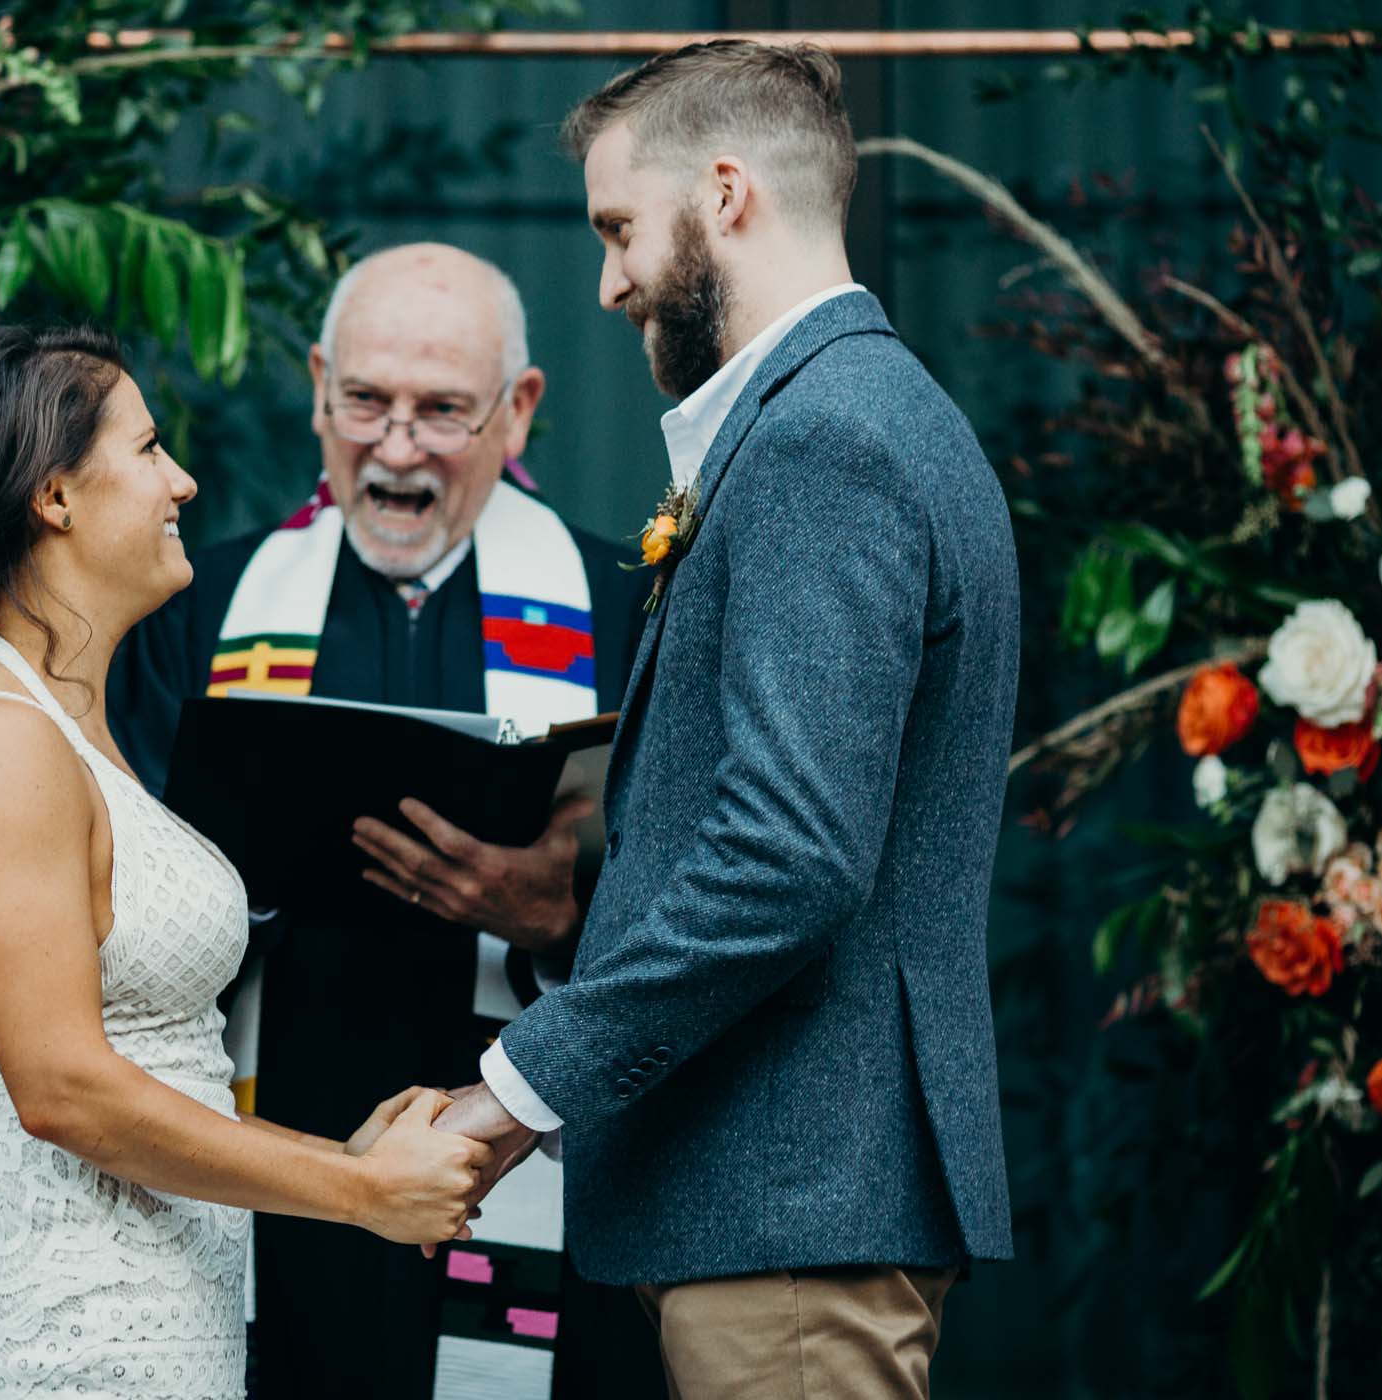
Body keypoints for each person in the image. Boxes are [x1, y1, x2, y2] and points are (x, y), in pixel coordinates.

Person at [434, 41, 1022, 1399]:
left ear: (727, 190)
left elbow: (791, 855)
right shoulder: (864, 411)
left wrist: (518, 1088)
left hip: (794, 1194)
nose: (609, 280)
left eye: (619, 227)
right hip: (789, 1194)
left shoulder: (826, 439)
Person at [0, 324, 491, 1399]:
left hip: (155, 1332)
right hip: (70, 1348)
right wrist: (358, 1187)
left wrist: (348, 1150)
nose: (183, 480)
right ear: (53, 495)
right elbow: (59, 1086)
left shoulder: (59, 720)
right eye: (148, 449)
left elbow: (156, 1066)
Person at [110, 244, 663, 1397]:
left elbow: (700, 903)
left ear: (519, 410)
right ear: (317, 383)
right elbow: (123, 873)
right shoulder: (196, 607)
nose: (396, 448)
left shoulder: (625, 605)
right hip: (289, 1133)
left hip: (527, 1126)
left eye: (442, 411)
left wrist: (563, 907)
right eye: (364, 400)